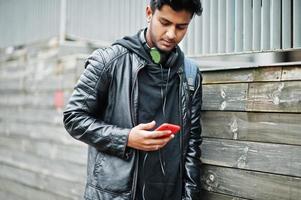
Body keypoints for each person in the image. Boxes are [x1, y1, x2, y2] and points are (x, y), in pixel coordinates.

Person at [63, 0, 203, 199]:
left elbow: (192, 145)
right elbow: (73, 118)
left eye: (181, 27)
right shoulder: (108, 62)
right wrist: (126, 138)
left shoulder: (190, 75)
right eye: (164, 22)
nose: (172, 34)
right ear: (149, 13)